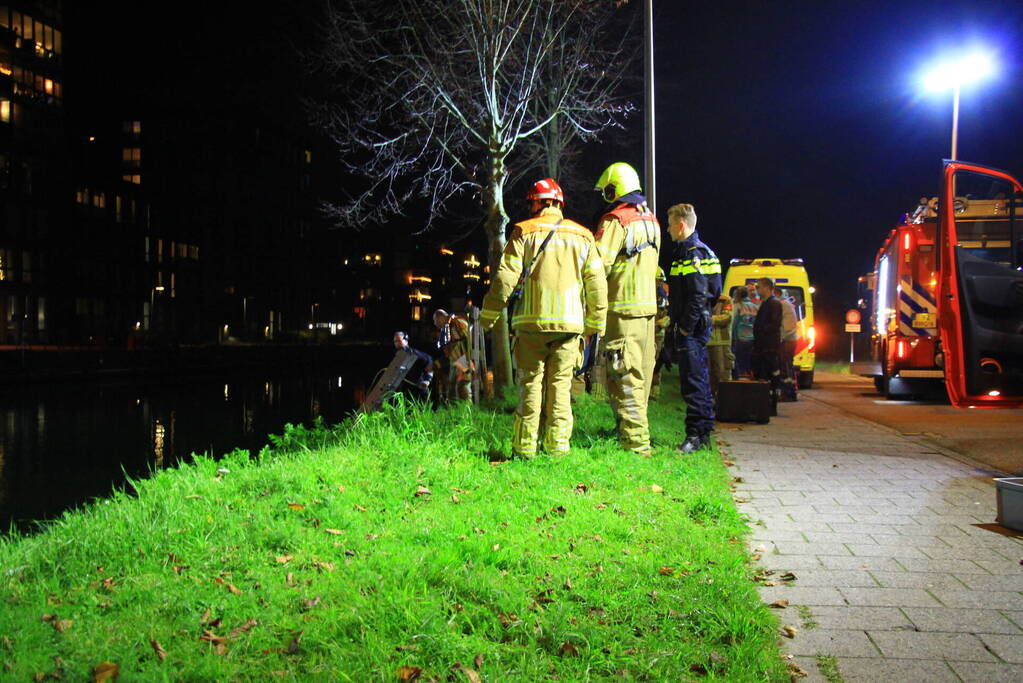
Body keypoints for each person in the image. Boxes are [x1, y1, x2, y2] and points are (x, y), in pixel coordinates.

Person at [480, 178, 607, 458]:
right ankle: (558, 449)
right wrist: (595, 325)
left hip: (530, 325)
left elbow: (504, 279)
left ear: (539, 202)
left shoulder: (524, 232)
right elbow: (597, 284)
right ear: (559, 203)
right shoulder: (584, 236)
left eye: (532, 202)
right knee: (560, 388)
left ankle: (525, 449)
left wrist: (487, 318)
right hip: (570, 327)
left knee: (529, 385)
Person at [593, 162, 661, 454]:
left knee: (624, 374)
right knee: (641, 373)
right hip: (647, 311)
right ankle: (630, 430)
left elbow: (598, 266)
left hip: (622, 310)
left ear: (615, 188)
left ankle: (636, 444)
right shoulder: (652, 221)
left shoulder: (616, 220)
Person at [665, 203, 722, 454]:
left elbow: (698, 296)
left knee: (694, 382)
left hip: (693, 329)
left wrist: (685, 329)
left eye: (669, 225)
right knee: (697, 380)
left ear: (680, 225)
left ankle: (695, 436)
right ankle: (703, 433)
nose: (667, 230)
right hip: (695, 327)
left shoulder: (692, 253)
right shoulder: (695, 251)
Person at [752, 277, 783, 406]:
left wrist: (761, 332)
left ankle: (771, 404)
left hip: (768, 347)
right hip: (763, 347)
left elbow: (774, 324)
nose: (756, 290)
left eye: (758, 287)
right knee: (763, 375)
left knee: (769, 376)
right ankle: (764, 403)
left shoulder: (774, 303)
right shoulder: (766, 303)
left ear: (766, 287)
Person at [433, 308, 473, 402]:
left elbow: (467, 339)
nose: (435, 324)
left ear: (440, 318)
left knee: (462, 384)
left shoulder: (456, 322)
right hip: (456, 359)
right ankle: (455, 410)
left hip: (462, 359)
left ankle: (466, 410)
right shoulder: (448, 327)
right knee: (453, 386)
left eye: (435, 320)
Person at [392, 331, 434, 401]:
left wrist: (427, 380)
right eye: (395, 341)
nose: (397, 343)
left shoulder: (416, 355)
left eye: (399, 341)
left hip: (417, 389)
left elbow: (429, 364)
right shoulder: (396, 357)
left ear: (406, 341)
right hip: (402, 391)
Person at [649, 268, 671, 400]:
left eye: (660, 281)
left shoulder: (661, 294)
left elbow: (667, 314)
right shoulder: (649, 292)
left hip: (657, 333)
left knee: (656, 361)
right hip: (649, 331)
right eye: (659, 280)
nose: (660, 283)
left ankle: (654, 390)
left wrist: (662, 323)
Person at [774, 286, 799, 401]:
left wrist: (780, 338)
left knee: (785, 367)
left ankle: (788, 392)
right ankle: (791, 390)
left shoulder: (783, 305)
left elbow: (785, 327)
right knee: (788, 366)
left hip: (787, 340)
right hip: (790, 339)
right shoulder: (787, 304)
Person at [707, 295, 734, 396]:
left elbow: (727, 317)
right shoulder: (703, 298)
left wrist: (709, 319)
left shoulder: (725, 300)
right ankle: (712, 400)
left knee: (722, 374)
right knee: (710, 374)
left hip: (721, 342)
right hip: (707, 341)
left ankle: (726, 400)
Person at [730, 287, 758, 378]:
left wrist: (731, 338)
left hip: (740, 338)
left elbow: (733, 323)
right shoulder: (754, 307)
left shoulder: (737, 306)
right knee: (749, 362)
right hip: (752, 338)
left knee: (739, 362)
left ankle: (741, 381)